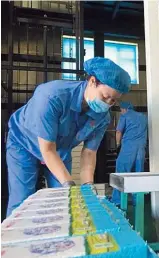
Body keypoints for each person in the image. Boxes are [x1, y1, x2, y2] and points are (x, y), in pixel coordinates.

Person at [6, 57, 131, 217]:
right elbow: (48, 149)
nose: (108, 103)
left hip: (60, 151)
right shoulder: (52, 96)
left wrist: (88, 186)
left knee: (64, 200)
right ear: (92, 81)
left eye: (113, 100)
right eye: (105, 96)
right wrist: (69, 183)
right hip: (23, 144)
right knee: (22, 200)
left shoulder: (102, 117)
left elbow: (89, 153)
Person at [111, 101, 148, 205]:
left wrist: (117, 144)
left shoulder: (125, 116)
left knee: (121, 172)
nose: (121, 112)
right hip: (141, 148)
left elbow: (118, 132)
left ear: (124, 109)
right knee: (138, 174)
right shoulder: (143, 117)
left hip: (128, 147)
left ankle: (117, 201)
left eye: (121, 110)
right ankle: (138, 201)